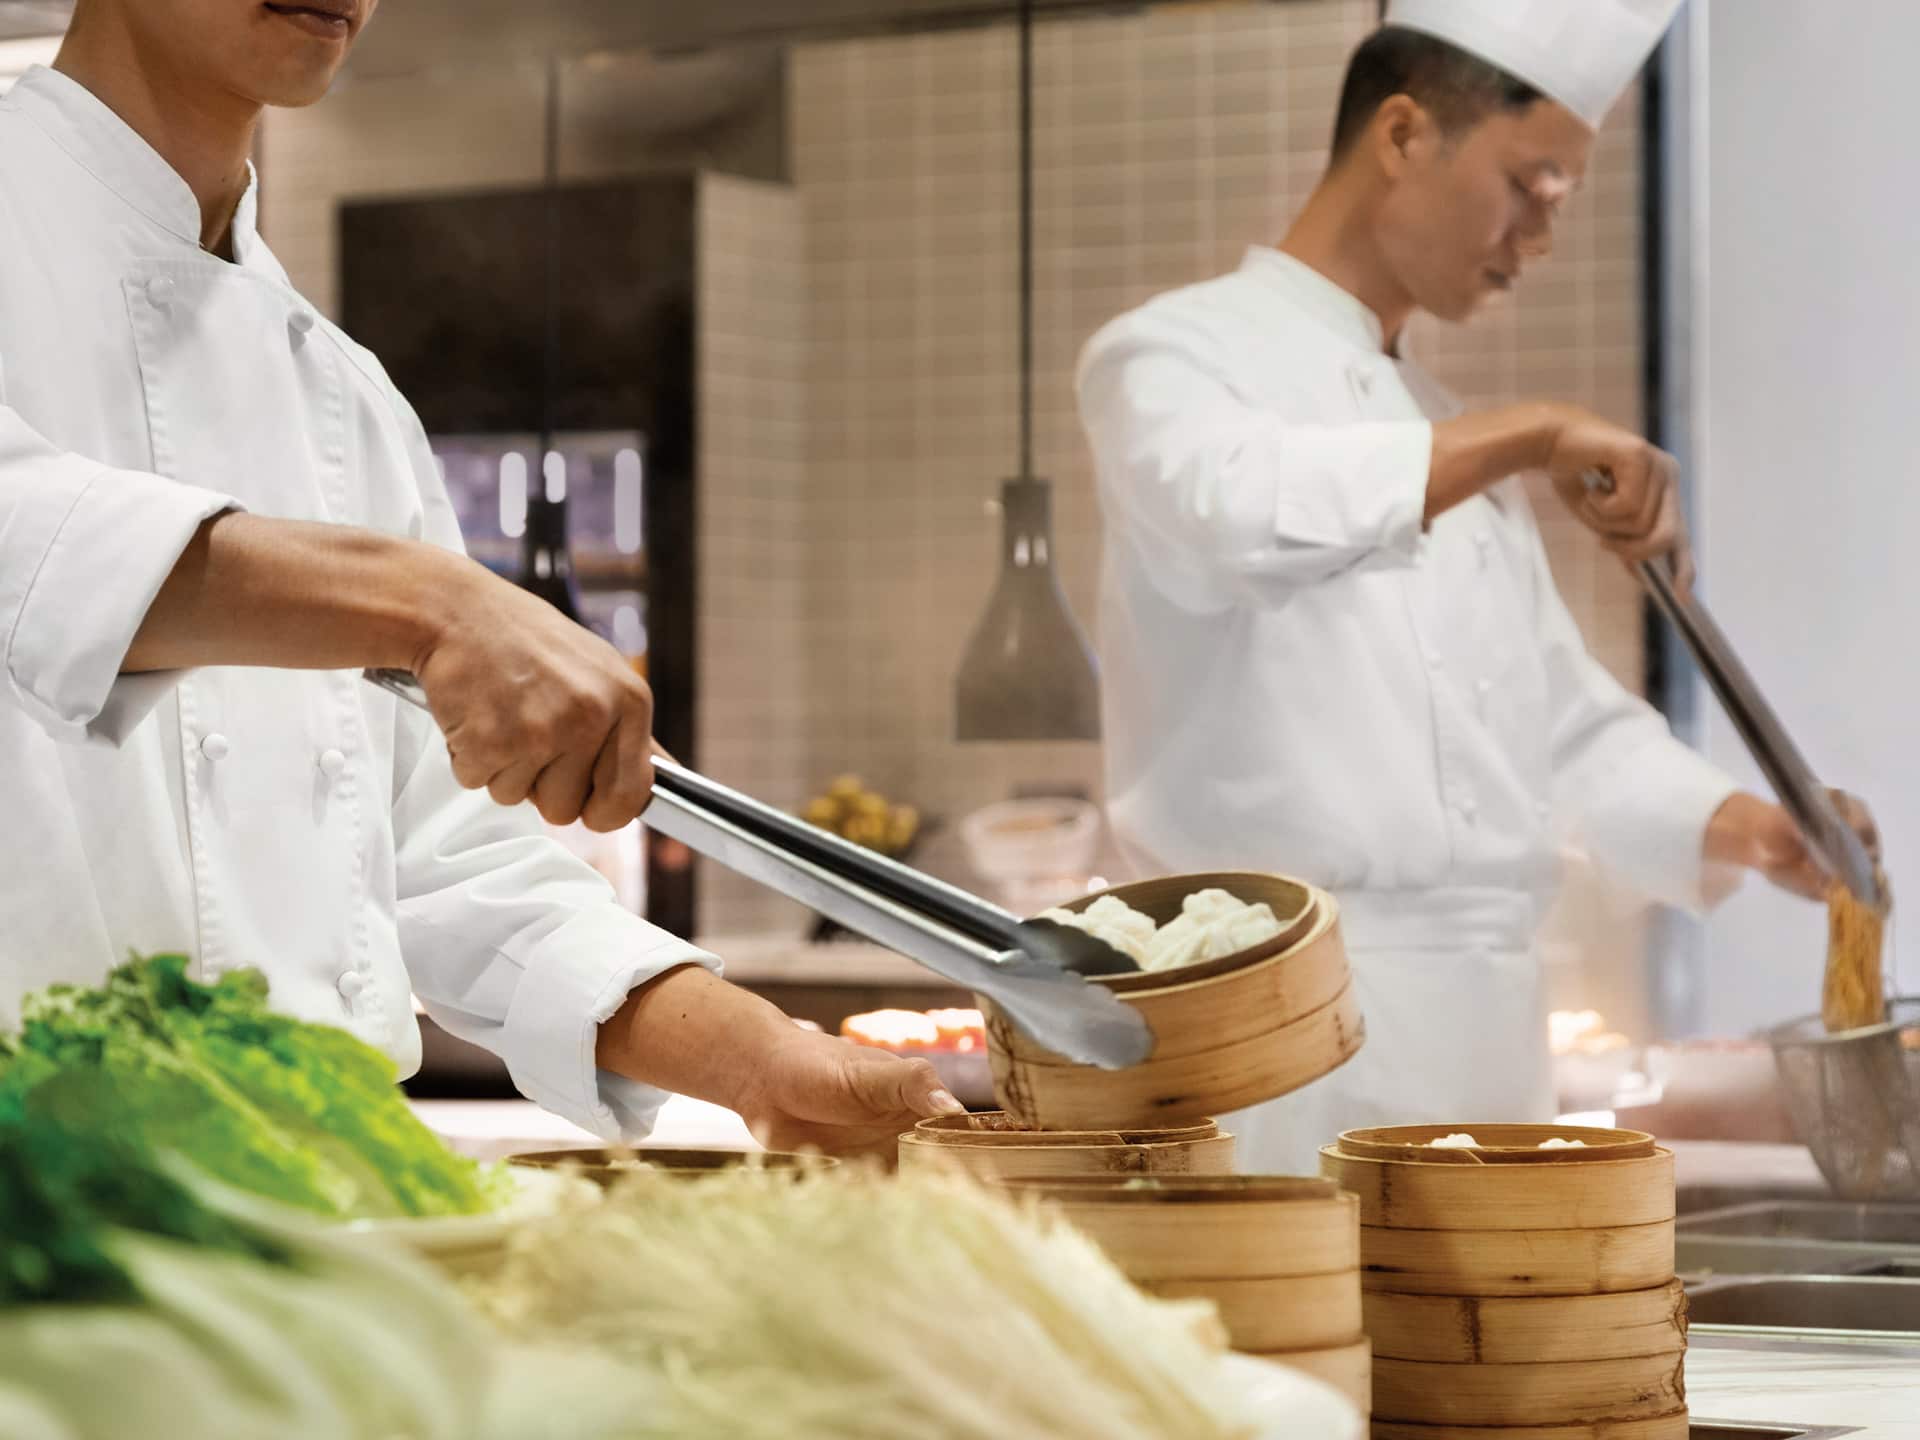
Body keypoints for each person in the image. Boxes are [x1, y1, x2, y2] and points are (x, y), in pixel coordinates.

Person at [0, 0, 961, 1157]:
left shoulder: (341, 395)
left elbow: (451, 861)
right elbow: (32, 546)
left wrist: (759, 1060)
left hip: (321, 1220)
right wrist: (430, 602)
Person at [1077, 0, 1878, 1171]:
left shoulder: (1445, 437)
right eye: (1529, 184)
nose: (1538, 236)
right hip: (1274, 1047)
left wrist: (1752, 829)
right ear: (1404, 135)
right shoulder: (1169, 358)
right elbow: (1233, 513)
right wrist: (1532, 432)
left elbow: (1563, 732)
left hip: (1489, 1045)